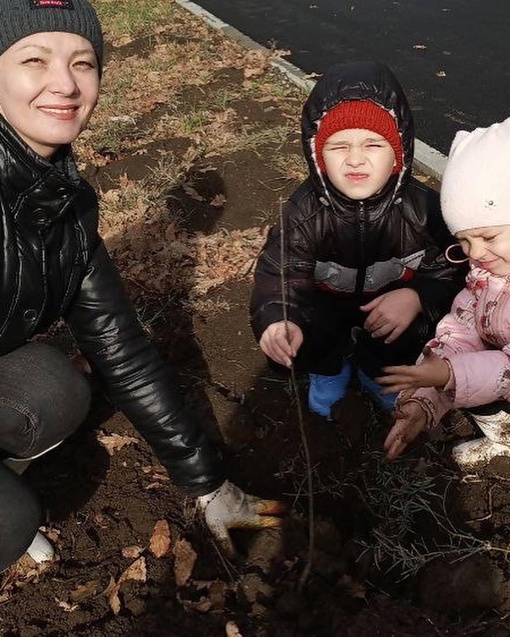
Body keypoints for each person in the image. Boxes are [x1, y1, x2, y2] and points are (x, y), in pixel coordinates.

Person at [0, 0, 284, 573]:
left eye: (83, 63)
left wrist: (209, 486)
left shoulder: (64, 206)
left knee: (56, 389)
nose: (64, 83)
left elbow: (122, 351)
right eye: (35, 59)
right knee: (11, 517)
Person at [250, 61, 464, 420]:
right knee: (313, 326)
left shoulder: (424, 210)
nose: (354, 159)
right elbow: (280, 273)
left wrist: (418, 296)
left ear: (398, 154)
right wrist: (278, 318)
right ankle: (328, 370)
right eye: (337, 147)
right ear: (317, 156)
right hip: (327, 301)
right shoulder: (304, 213)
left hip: (390, 301)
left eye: (372, 144)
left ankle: (378, 373)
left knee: (401, 332)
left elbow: (453, 267)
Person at [379, 116, 510, 470]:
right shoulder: (486, 276)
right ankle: (504, 434)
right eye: (464, 241)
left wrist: (450, 373)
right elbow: (460, 335)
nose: (476, 253)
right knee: (465, 377)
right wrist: (423, 400)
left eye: (487, 237)